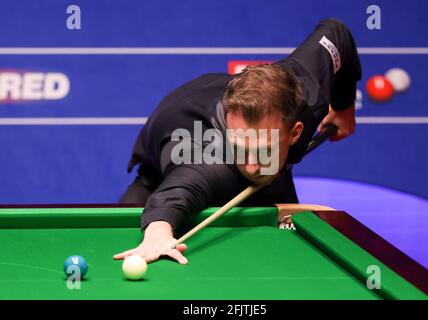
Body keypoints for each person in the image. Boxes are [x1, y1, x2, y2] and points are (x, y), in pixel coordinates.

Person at [114, 18, 362, 265]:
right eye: (241, 149)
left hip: (215, 101)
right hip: (162, 160)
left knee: (289, 254)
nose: (253, 166)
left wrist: (344, 106)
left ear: (296, 132)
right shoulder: (208, 160)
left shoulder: (306, 92)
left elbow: (335, 35)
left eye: (265, 150)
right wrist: (158, 234)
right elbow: (175, 193)